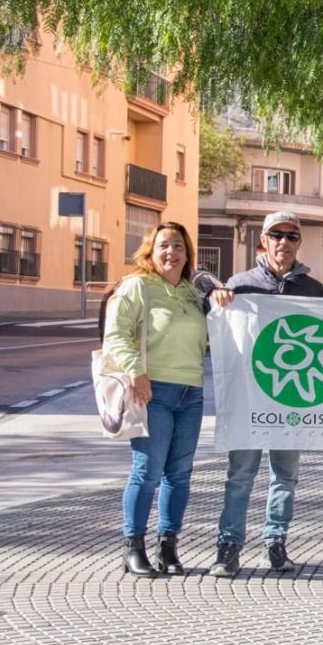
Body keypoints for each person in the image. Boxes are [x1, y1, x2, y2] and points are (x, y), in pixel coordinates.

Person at [207, 211, 323, 578]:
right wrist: (217, 297)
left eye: (292, 236)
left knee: (285, 475)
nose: (284, 243)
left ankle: (275, 543)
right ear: (263, 240)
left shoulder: (314, 290)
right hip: (249, 398)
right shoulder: (240, 285)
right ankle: (229, 547)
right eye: (276, 235)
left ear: (299, 243)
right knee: (240, 475)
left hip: (292, 399)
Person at [103, 222, 208, 577]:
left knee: (179, 474)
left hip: (191, 393)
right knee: (147, 472)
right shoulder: (138, 286)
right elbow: (116, 334)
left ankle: (168, 547)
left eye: (178, 246)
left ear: (187, 254)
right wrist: (136, 372)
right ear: (150, 250)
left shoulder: (192, 293)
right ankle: (133, 547)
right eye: (163, 245)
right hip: (152, 392)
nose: (171, 252)